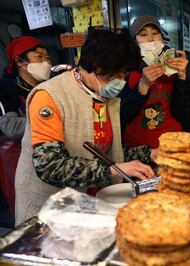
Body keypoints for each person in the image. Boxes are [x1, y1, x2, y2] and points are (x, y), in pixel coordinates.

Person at [14, 28, 156, 225]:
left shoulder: (107, 97)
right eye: (112, 76)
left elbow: (104, 152)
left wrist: (150, 154)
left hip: (87, 204)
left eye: (124, 75)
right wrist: (114, 170)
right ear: (91, 67)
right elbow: (50, 166)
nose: (119, 83)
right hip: (48, 208)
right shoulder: (50, 96)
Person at [120, 16, 190, 149]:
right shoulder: (124, 71)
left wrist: (182, 77)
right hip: (137, 149)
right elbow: (121, 116)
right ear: (134, 42)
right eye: (143, 35)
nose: (151, 39)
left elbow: (183, 112)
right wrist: (143, 86)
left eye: (155, 33)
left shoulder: (174, 67)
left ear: (162, 39)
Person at [0, 36, 52, 213]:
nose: (45, 61)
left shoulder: (49, 86)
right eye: (39, 57)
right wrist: (48, 121)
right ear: (20, 61)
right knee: (28, 210)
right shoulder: (6, 88)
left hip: (47, 157)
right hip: (18, 157)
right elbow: (10, 126)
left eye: (47, 57)